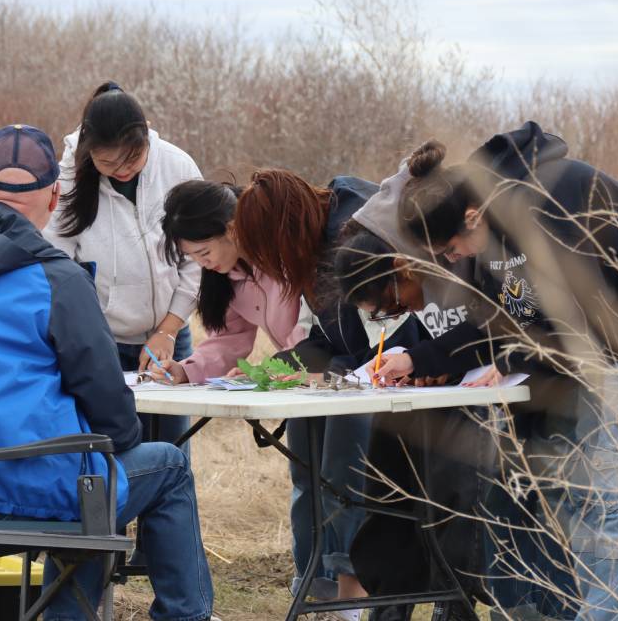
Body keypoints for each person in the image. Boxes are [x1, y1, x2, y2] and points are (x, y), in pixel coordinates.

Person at [0, 124, 215, 621]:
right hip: (24, 497)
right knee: (159, 467)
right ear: (56, 196)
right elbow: (114, 417)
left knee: (83, 475)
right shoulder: (56, 280)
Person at [376, 122, 618, 621]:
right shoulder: (495, 234)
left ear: (471, 216)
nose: (455, 259)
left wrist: (512, 362)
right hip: (599, 367)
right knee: (589, 514)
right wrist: (419, 358)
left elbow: (581, 315)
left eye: (450, 250)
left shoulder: (548, 199)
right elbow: (495, 321)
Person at [232, 168, 377, 612]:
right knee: (305, 461)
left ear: (285, 230)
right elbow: (326, 338)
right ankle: (316, 579)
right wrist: (278, 368)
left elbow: (384, 341)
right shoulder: (311, 250)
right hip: (346, 377)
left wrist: (330, 373)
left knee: (342, 468)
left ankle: (351, 590)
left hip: (383, 384)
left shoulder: (357, 240)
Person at [44, 81, 201, 447]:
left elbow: (197, 259)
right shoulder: (66, 180)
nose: (122, 170)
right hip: (102, 343)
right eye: (108, 163)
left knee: (173, 449)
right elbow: (57, 265)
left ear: (146, 136)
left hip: (170, 336)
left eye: (132, 159)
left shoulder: (178, 167)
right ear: (89, 152)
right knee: (113, 451)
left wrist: (168, 330)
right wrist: (87, 334)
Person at [149, 179, 309, 385]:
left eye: (204, 252)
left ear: (232, 229)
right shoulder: (228, 275)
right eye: (191, 256)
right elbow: (229, 339)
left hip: (335, 371)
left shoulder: (287, 256)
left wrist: (270, 371)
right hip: (300, 377)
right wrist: (186, 371)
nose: (202, 263)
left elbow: (310, 330)